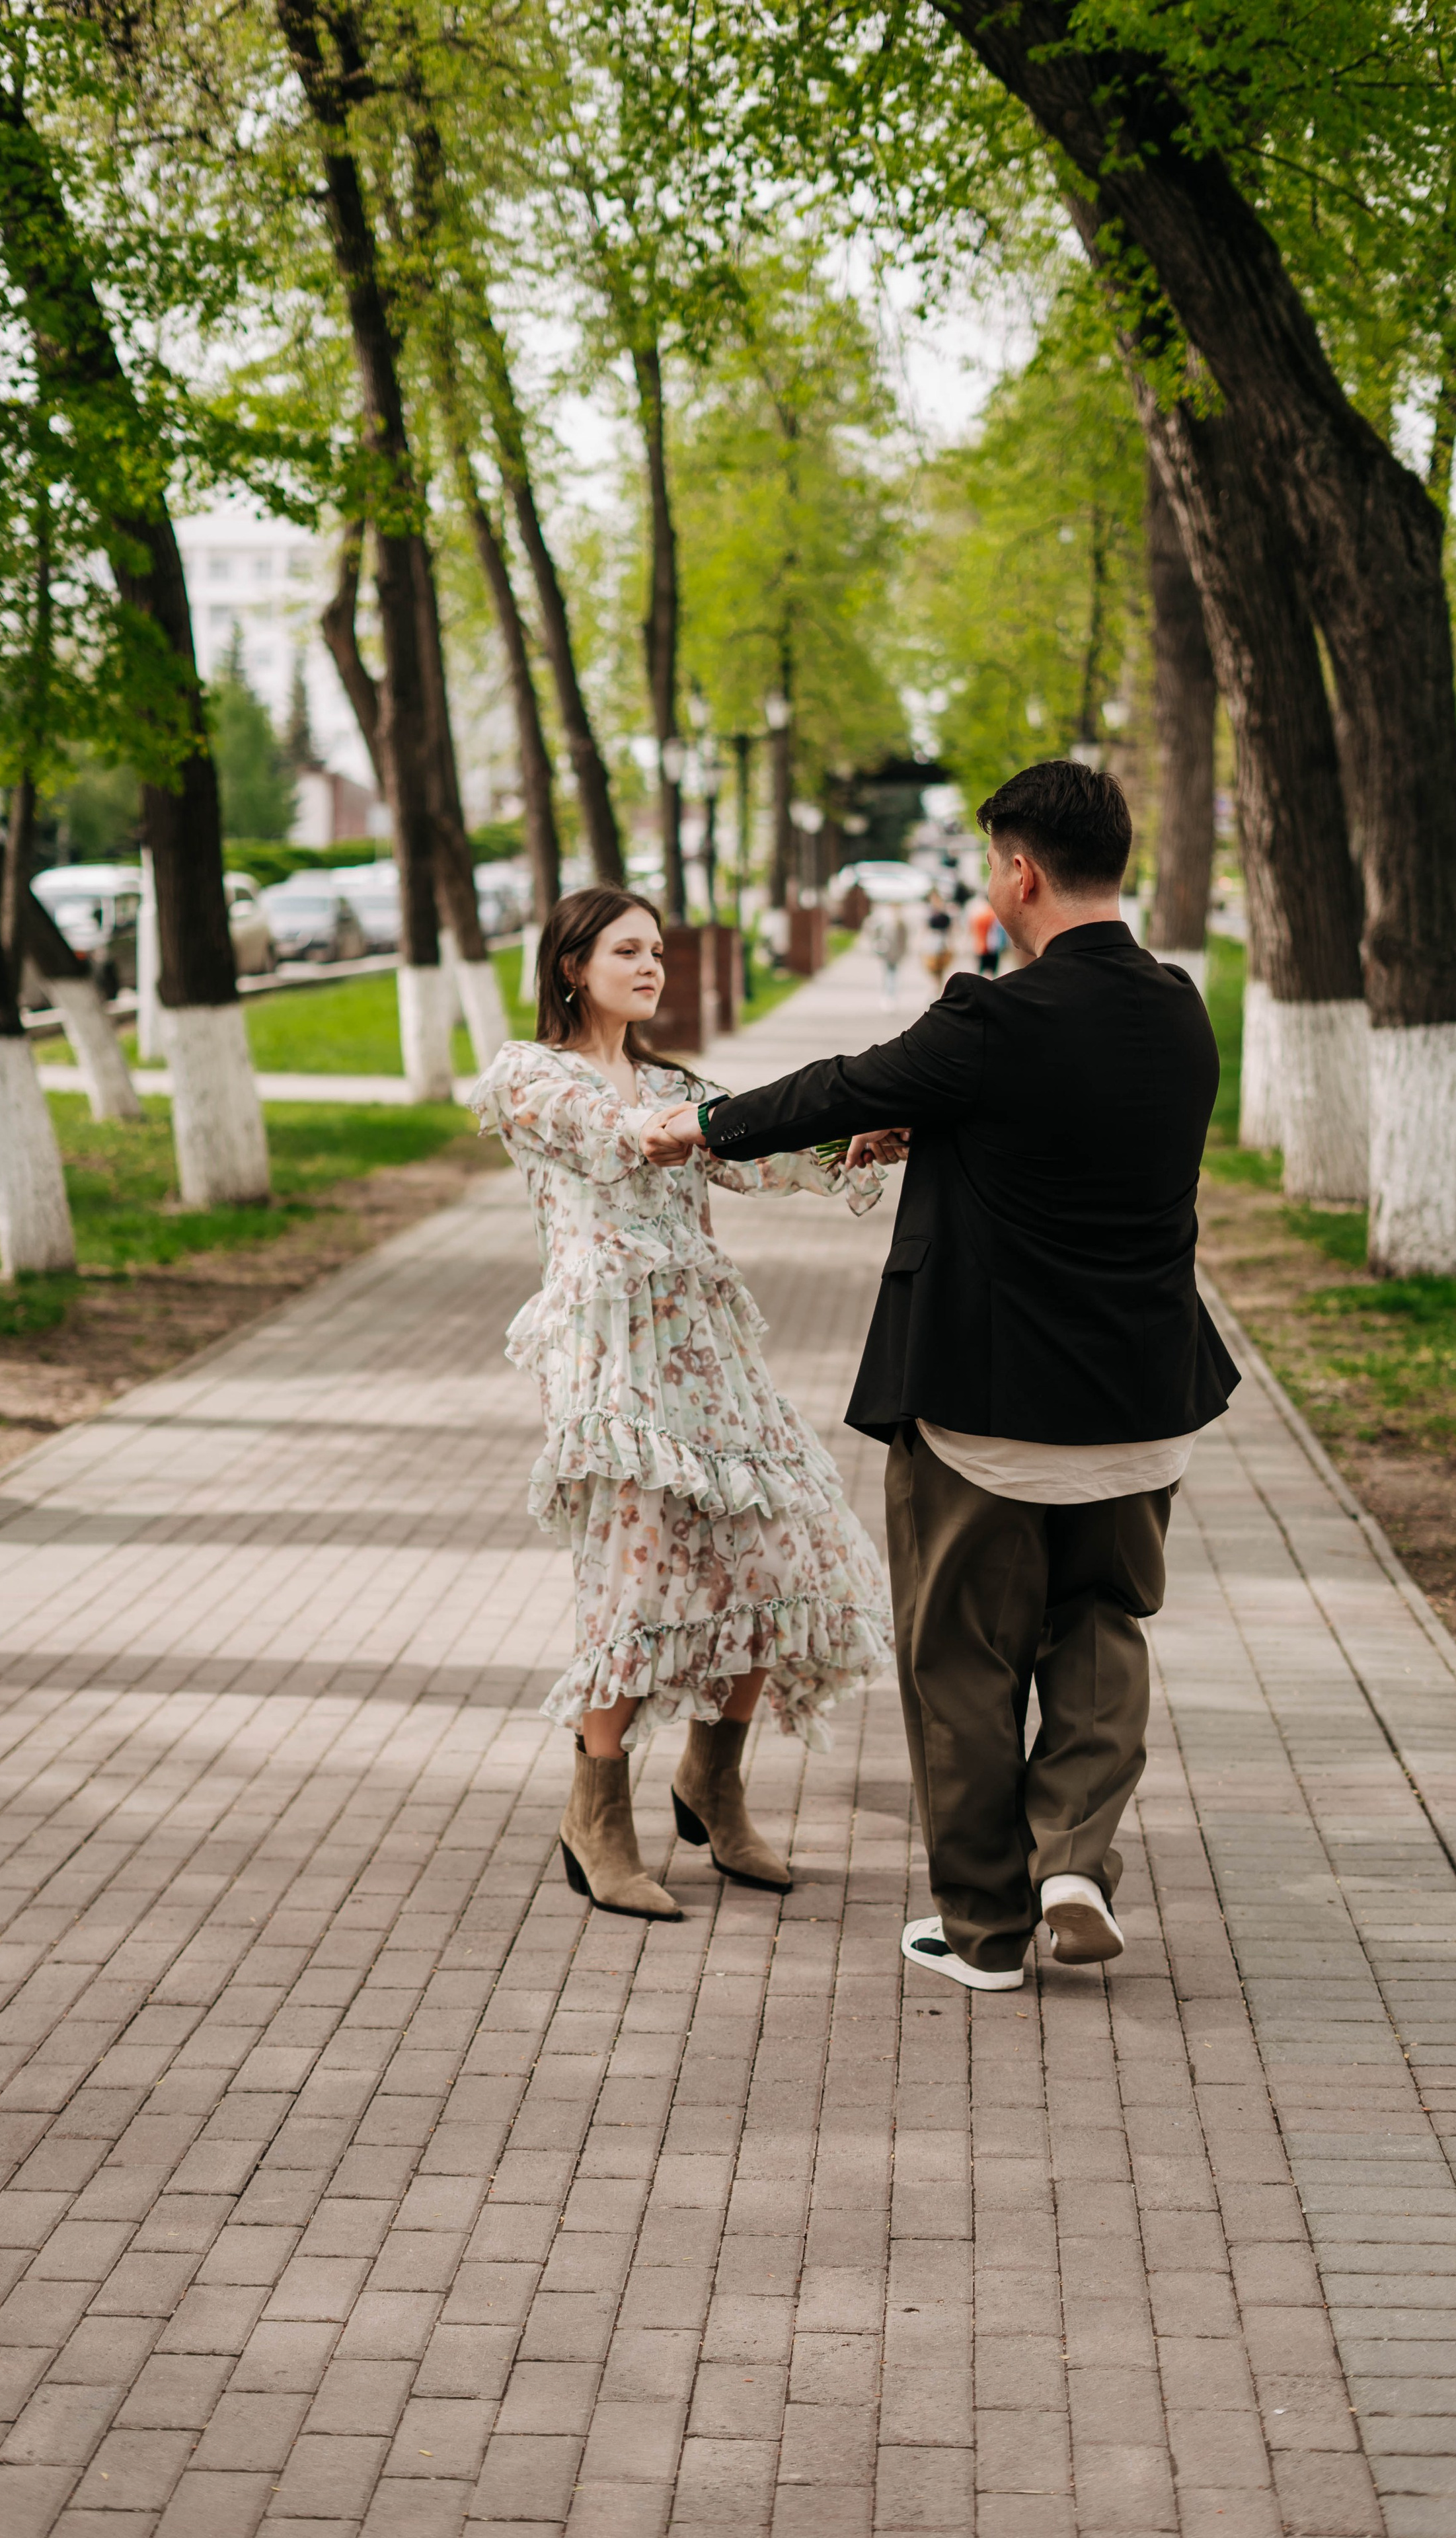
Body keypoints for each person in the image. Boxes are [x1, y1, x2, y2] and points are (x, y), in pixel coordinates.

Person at [645, 763, 1239, 1989]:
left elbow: (841, 1086)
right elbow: (1067, 1131)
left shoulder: (990, 1022)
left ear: (1019, 872)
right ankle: (1072, 1854)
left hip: (991, 1406)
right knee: (1101, 1626)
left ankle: (988, 1932)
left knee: (964, 1660)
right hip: (1141, 1404)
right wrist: (946, 1126)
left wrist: (694, 1126)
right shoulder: (1180, 1008)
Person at [472, 886, 894, 1923]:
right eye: (628, 950)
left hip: (708, 1346)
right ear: (573, 965)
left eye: (657, 950)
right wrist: (709, 1124)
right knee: (637, 1570)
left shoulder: (672, 1079)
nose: (651, 966)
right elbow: (623, 1134)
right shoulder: (532, 1076)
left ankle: (713, 1783)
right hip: (611, 1355)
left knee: (773, 1547)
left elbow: (746, 1149)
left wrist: (853, 1142)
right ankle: (597, 1816)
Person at [866, 902, 909, 1007]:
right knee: (888, 973)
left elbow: (903, 939)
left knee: (892, 974)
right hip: (886, 952)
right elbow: (874, 933)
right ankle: (888, 995)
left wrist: (903, 952)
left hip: (895, 953)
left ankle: (891, 995)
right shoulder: (884, 921)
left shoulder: (900, 923)